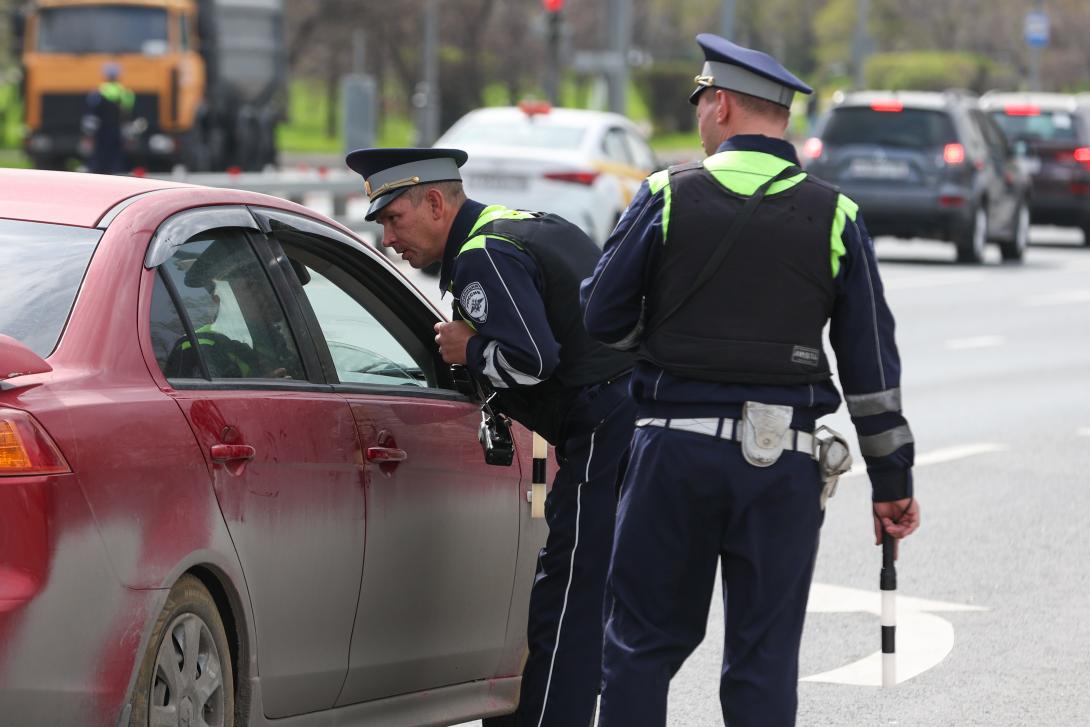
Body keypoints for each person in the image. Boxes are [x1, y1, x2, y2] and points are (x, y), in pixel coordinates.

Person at [580, 34, 921, 727]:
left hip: (672, 455)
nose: (701, 114)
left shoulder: (667, 196)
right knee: (763, 663)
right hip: (782, 466)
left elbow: (600, 314)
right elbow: (871, 372)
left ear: (723, 106)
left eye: (702, 101)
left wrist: (668, 343)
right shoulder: (837, 215)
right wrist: (892, 484)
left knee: (640, 646)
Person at [345, 147, 636, 727]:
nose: (389, 241)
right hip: (635, 417)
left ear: (433, 202)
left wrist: (467, 349)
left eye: (394, 221)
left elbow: (533, 361)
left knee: (567, 603)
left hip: (604, 427)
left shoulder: (483, 255)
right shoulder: (522, 226)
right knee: (608, 603)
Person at [81, 62, 134, 174]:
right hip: (118, 133)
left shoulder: (98, 93)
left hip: (101, 133)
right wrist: (129, 137)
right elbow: (128, 117)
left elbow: (92, 118)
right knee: (117, 163)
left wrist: (88, 135)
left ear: (104, 76)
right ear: (119, 76)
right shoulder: (125, 93)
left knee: (99, 162)